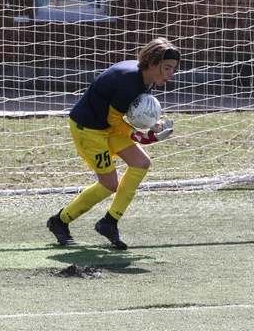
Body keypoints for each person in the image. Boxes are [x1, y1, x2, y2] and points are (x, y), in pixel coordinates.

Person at [47, 37, 180, 250]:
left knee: (141, 162)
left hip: (107, 125)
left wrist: (154, 124)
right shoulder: (129, 82)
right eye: (167, 68)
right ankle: (60, 221)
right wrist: (144, 137)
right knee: (109, 184)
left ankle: (109, 222)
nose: (171, 74)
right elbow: (113, 119)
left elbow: (130, 111)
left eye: (173, 68)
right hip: (89, 129)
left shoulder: (145, 77)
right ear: (153, 63)